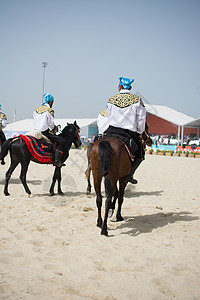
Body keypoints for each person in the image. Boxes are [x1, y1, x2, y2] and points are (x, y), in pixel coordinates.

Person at [105, 76, 146, 184]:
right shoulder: (137, 100)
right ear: (130, 87)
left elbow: (109, 117)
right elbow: (141, 120)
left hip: (110, 131)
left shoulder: (111, 100)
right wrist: (139, 132)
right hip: (127, 134)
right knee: (140, 153)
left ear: (119, 87)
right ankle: (129, 175)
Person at [33, 93, 65, 167]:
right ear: (51, 102)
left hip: (35, 131)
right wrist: (54, 128)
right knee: (61, 141)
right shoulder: (49, 110)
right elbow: (50, 123)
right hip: (44, 132)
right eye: (52, 102)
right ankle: (57, 161)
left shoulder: (36, 110)